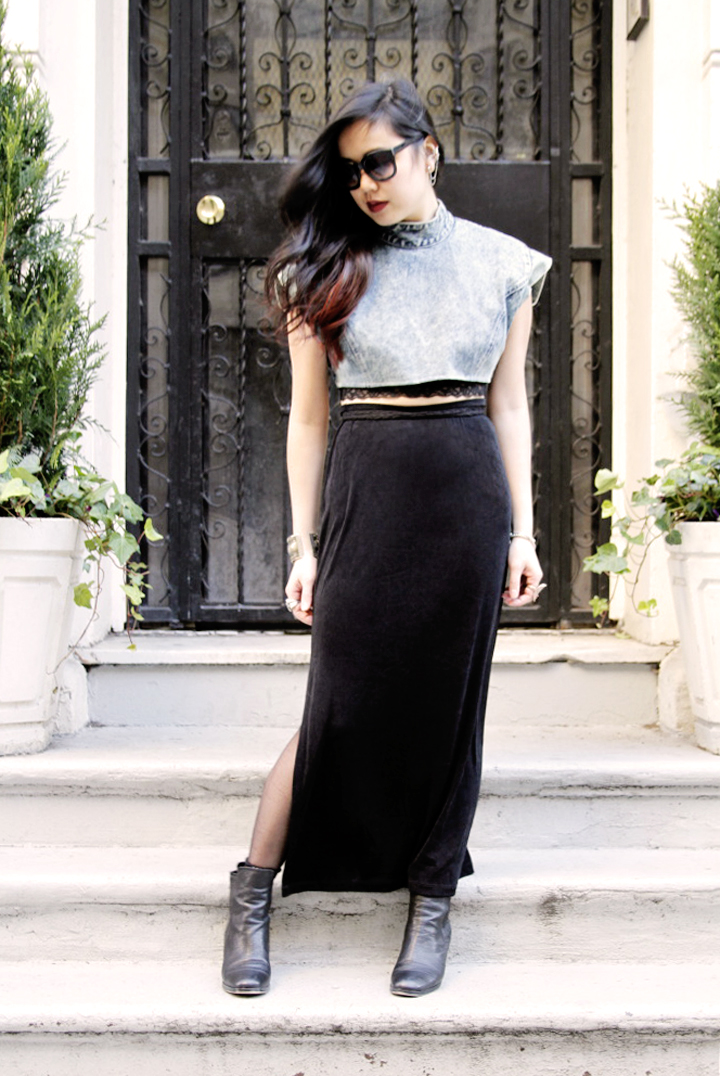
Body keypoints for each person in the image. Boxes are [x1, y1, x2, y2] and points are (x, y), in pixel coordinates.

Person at [221, 79, 551, 999]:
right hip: (367, 491)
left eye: (379, 162)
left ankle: (432, 899)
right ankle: (251, 893)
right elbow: (307, 421)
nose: (365, 183)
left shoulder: (505, 265)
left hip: (465, 497)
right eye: (351, 170)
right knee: (338, 702)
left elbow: (510, 406)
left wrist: (523, 534)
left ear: (428, 153)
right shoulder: (322, 270)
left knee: (452, 709)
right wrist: (304, 544)